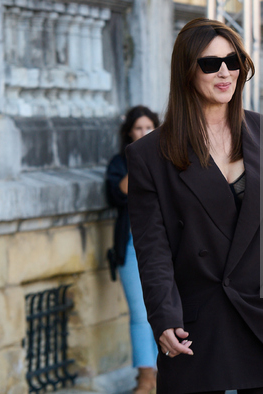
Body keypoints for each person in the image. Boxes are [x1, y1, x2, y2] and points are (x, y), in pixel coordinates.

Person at [125, 18, 263, 394]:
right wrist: (163, 316)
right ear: (186, 72)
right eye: (209, 63)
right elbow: (153, 248)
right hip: (202, 317)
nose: (224, 72)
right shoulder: (150, 155)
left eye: (232, 62)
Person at [105, 105, 160, 394]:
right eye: (138, 128)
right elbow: (117, 194)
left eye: (148, 127)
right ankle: (146, 377)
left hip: (163, 248)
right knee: (140, 314)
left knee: (164, 310)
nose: (143, 133)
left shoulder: (168, 159)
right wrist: (138, 158)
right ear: (129, 132)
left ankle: (165, 373)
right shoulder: (120, 162)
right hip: (130, 248)